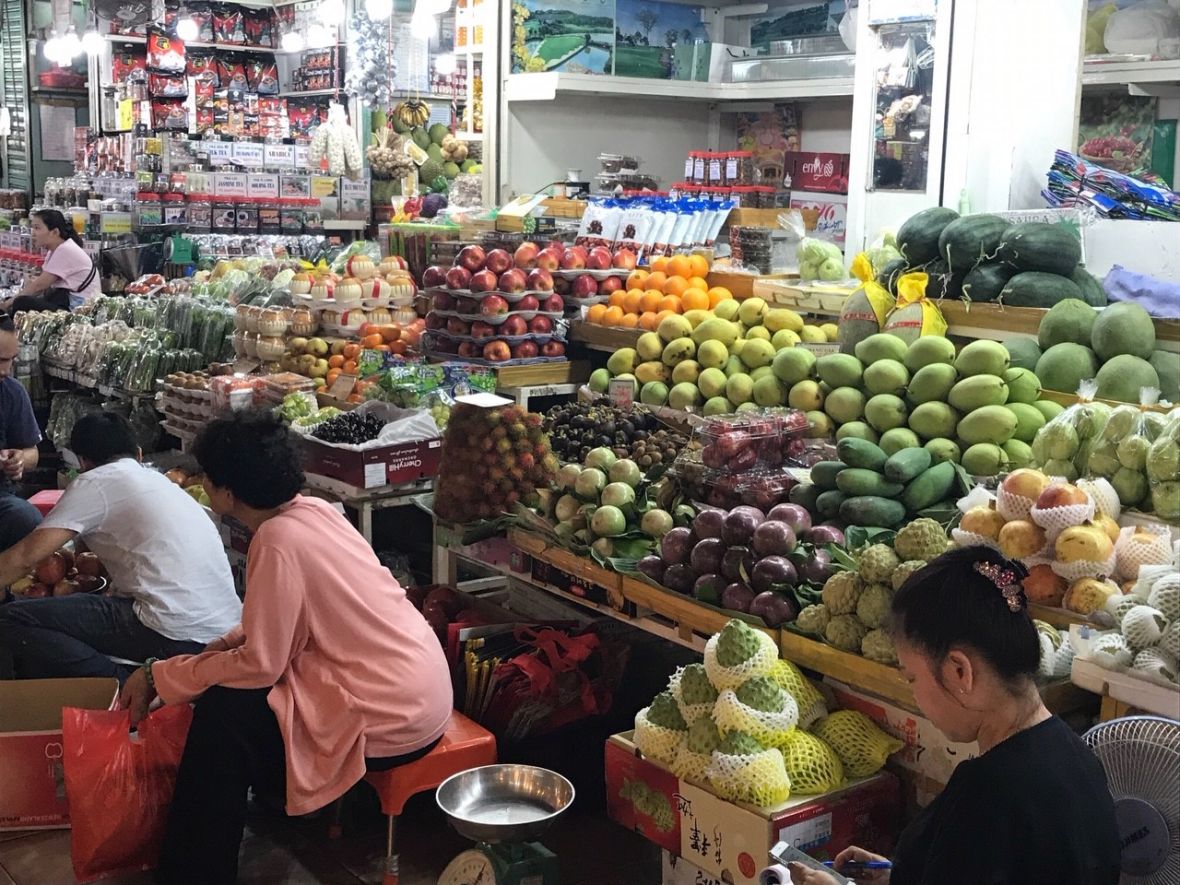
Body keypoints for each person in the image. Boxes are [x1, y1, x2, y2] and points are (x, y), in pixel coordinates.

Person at [118, 411, 452, 885]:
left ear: (228, 492)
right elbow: (266, 625)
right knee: (221, 685)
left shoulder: (277, 540)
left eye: (207, 479)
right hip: (421, 687)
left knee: (224, 715)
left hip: (390, 713)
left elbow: (261, 663)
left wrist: (166, 676)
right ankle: (266, 807)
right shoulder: (310, 509)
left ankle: (194, 872)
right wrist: (199, 659)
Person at [788, 546, 1121, 885]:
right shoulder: (1077, 756)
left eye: (912, 678)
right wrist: (902, 876)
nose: (914, 694)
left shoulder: (986, 795)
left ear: (959, 671)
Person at [0, 412, 241, 681]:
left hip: (173, 631)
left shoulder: (94, 482)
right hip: (223, 629)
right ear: (137, 454)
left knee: (12, 618)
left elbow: (24, 557)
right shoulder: (160, 482)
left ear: (83, 461)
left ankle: (121, 681)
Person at [1, 209, 99, 313]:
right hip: (64, 301)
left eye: (37, 228)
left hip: (78, 309)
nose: (33, 233)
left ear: (55, 232)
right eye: (32, 227)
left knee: (21, 302)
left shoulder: (65, 250)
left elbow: (38, 287)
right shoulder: (55, 250)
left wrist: (6, 304)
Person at [0, 313, 42, 552]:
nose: (5, 371)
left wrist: (19, 460)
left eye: (11, 361)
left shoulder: (12, 393)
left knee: (26, 519)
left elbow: (32, 453)